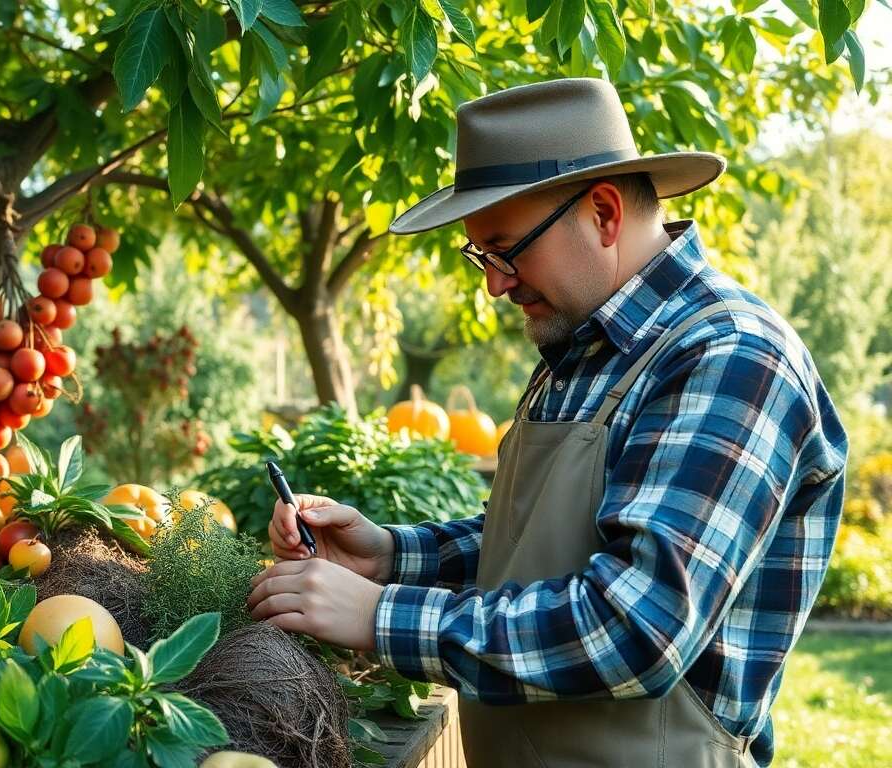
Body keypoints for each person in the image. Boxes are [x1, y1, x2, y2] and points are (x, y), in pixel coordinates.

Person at [247, 78, 847, 767]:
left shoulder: (731, 358)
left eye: (507, 249)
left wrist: (381, 619)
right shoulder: (581, 350)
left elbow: (639, 628)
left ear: (602, 213)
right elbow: (546, 545)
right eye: (481, 256)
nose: (495, 283)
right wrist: (389, 556)